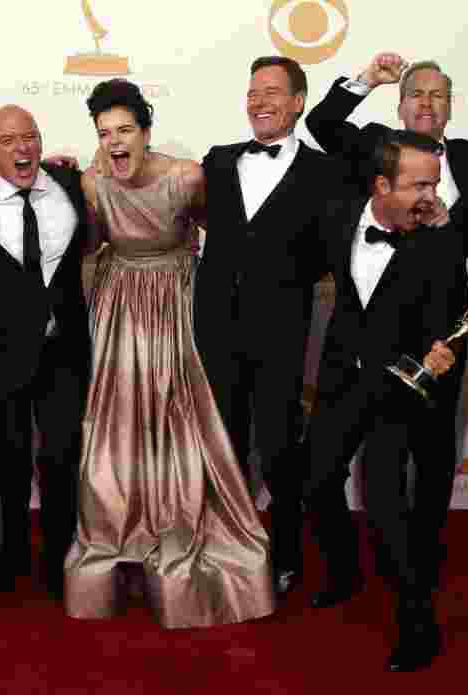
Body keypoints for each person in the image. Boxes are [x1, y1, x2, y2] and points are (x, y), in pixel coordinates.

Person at [64, 79, 275, 628]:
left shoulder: (186, 177)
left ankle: (181, 527)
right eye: (104, 133)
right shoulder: (92, 184)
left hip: (178, 300)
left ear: (146, 132)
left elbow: (224, 235)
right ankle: (123, 531)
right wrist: (62, 181)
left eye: (125, 130)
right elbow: (88, 244)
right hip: (117, 303)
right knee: (118, 423)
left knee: (181, 419)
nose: (115, 142)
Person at [306, 55, 468, 589]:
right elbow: (322, 125)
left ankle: (422, 563)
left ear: (452, 107)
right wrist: (365, 79)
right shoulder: (374, 150)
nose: (427, 104)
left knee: (433, 463)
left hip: (442, 336)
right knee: (345, 476)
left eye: (439, 95)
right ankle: (352, 570)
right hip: (364, 351)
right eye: (418, 93)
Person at [195, 56, 357, 594]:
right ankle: (223, 551)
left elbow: (338, 249)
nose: (259, 102)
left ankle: (285, 555)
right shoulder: (216, 162)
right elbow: (158, 196)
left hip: (282, 331)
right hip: (216, 326)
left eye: (271, 92)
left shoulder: (325, 171)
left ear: (297, 102)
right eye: (252, 92)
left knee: (282, 447)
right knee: (223, 444)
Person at [305, 130, 463, 672]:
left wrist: (444, 351)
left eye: (435, 184)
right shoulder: (339, 214)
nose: (431, 196)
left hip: (399, 387)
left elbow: (456, 317)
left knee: (387, 507)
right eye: (419, 184)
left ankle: (419, 627)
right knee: (318, 479)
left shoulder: (441, 238)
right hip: (343, 377)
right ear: (380, 185)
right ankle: (344, 573)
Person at [0, 105, 92, 600]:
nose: (23, 147)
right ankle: (10, 558)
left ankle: (60, 561)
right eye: (9, 140)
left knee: (61, 457)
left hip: (67, 351)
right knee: (8, 461)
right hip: (3, 354)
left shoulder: (73, 186)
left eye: (30, 136)